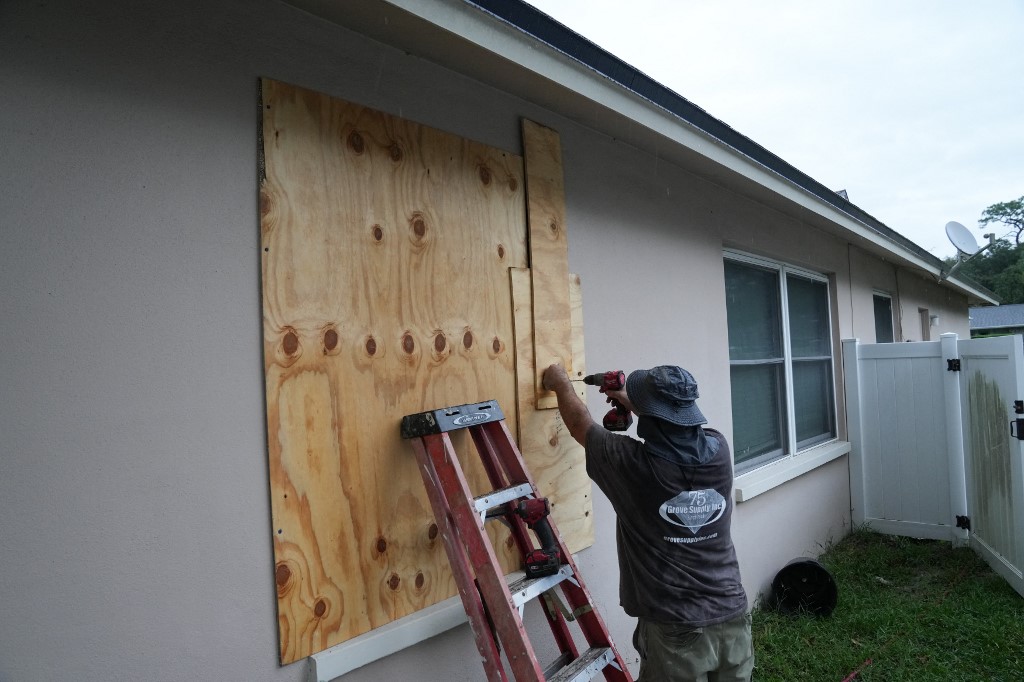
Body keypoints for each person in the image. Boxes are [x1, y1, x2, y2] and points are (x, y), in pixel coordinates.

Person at [542, 363, 753, 682]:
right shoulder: (719, 450)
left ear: (651, 416)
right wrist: (642, 405)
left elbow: (579, 424)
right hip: (733, 616)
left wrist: (559, 382)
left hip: (677, 628)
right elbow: (677, 434)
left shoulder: (633, 466)